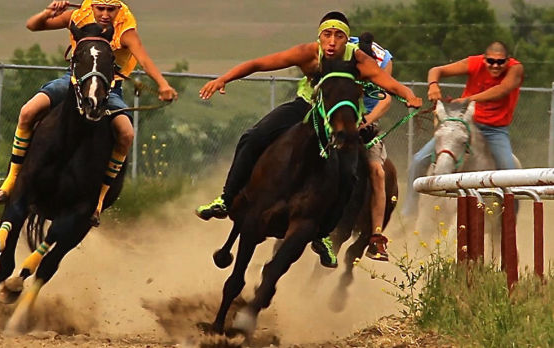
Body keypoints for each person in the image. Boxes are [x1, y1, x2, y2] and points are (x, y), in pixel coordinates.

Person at [194, 11, 422, 268]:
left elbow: (387, 82)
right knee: (253, 136)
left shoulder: (357, 58)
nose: (332, 42)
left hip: (338, 121)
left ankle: (324, 233)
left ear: (347, 40)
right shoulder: (308, 53)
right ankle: (226, 199)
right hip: (305, 108)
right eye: (327, 35)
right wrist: (224, 78)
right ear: (320, 37)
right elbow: (260, 64)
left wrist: (409, 95)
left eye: (339, 36)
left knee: (349, 174)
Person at [0, 0, 178, 226]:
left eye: (111, 9)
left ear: (119, 9)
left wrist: (162, 84)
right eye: (101, 9)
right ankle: (11, 181)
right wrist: (48, 12)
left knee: (126, 134)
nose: (106, 14)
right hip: (73, 82)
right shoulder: (77, 16)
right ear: (92, 7)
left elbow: (144, 60)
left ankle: (99, 199)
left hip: (109, 89)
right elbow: (33, 25)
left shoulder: (125, 29)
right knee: (28, 111)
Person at [402, 41, 524, 218]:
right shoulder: (474, 63)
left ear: (508, 60)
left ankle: (508, 221)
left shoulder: (516, 69)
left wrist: (469, 99)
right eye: (491, 61)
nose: (495, 66)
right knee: (419, 160)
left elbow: (502, 90)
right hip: (464, 124)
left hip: (495, 131)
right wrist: (433, 84)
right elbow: (436, 70)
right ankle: (409, 213)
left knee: (510, 173)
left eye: (500, 62)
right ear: (484, 59)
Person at [351, 32, 394, 262]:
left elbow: (385, 98)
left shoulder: (384, 61)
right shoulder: (341, 47)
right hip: (335, 112)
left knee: (378, 171)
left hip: (367, 118)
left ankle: (376, 236)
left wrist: (366, 121)